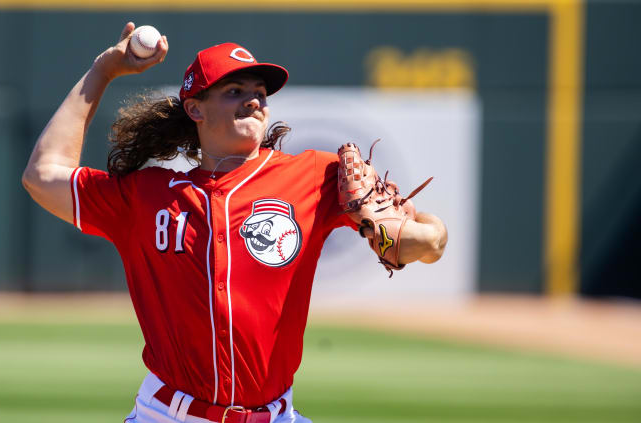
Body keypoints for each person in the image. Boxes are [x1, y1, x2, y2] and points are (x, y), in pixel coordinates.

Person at [22, 22, 447, 423]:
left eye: (260, 91)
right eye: (234, 89)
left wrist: (409, 233)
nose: (254, 100)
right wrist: (102, 71)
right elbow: (42, 175)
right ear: (195, 108)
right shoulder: (146, 195)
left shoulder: (315, 177)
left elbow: (426, 243)